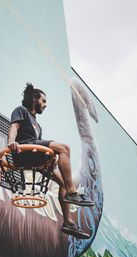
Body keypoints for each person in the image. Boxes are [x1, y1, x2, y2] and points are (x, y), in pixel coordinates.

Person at [7, 82, 94, 239]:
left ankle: (68, 222)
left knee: (64, 183)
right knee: (64, 148)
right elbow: (14, 127)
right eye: (44, 101)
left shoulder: (38, 125)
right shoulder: (21, 111)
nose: (45, 105)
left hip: (35, 157)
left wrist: (48, 160)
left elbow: (40, 145)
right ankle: (72, 192)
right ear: (35, 99)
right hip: (24, 151)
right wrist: (11, 142)